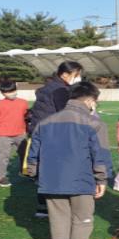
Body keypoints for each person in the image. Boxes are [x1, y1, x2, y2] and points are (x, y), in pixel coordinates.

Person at [26, 82, 112, 239]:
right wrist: (102, 179)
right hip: (82, 180)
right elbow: (100, 154)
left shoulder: (45, 123)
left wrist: (34, 173)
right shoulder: (94, 123)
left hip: (51, 181)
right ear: (90, 100)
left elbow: (33, 155)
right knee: (82, 219)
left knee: (58, 219)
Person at [26, 61, 83, 217]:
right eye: (76, 75)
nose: (78, 77)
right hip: (52, 134)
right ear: (65, 75)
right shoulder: (60, 90)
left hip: (41, 131)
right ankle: (52, 206)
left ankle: (43, 207)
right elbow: (65, 113)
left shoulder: (49, 87)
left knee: (45, 170)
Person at [0, 81, 28, 188]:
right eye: (8, 92)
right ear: (3, 93)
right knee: (3, 157)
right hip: (4, 135)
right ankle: (1, 177)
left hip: (20, 133)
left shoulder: (23, 102)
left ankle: (24, 171)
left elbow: (25, 117)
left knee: (24, 154)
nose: (11, 93)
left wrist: (26, 130)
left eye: (13, 90)